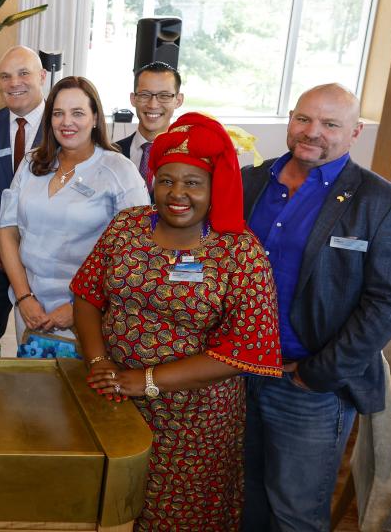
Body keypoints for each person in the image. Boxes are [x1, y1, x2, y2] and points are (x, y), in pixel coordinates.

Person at [72, 112, 282, 530]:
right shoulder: (127, 227)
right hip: (113, 399)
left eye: (192, 183)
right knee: (106, 506)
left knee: (178, 516)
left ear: (212, 187)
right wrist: (99, 363)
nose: (176, 193)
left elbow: (246, 350)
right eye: (166, 180)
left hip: (195, 422)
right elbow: (87, 293)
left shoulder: (238, 251)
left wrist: (146, 379)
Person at [240, 84, 391, 532]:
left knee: (295, 513)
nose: (312, 133)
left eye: (330, 124)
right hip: (235, 372)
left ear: (354, 133)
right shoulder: (249, 181)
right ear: (291, 119)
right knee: (244, 498)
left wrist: (318, 373)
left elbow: (389, 302)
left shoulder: (383, 203)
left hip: (309, 387)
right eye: (304, 119)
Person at [0, 76, 147, 358]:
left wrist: (81, 306)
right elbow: (7, 230)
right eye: (58, 113)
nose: (67, 122)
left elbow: (134, 253)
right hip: (30, 311)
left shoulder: (118, 171)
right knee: (33, 394)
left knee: (80, 398)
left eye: (77, 113)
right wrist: (24, 297)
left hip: (89, 315)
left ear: (94, 118)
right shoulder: (31, 164)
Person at [0, 45, 46, 341]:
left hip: (45, 262)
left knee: (41, 350)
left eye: (23, 73)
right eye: (6, 76)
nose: (14, 83)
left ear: (41, 75)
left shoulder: (63, 125)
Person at [114, 62, 185, 191]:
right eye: (145, 95)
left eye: (164, 96)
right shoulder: (111, 153)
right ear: (133, 99)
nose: (153, 105)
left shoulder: (190, 157)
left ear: (178, 101)